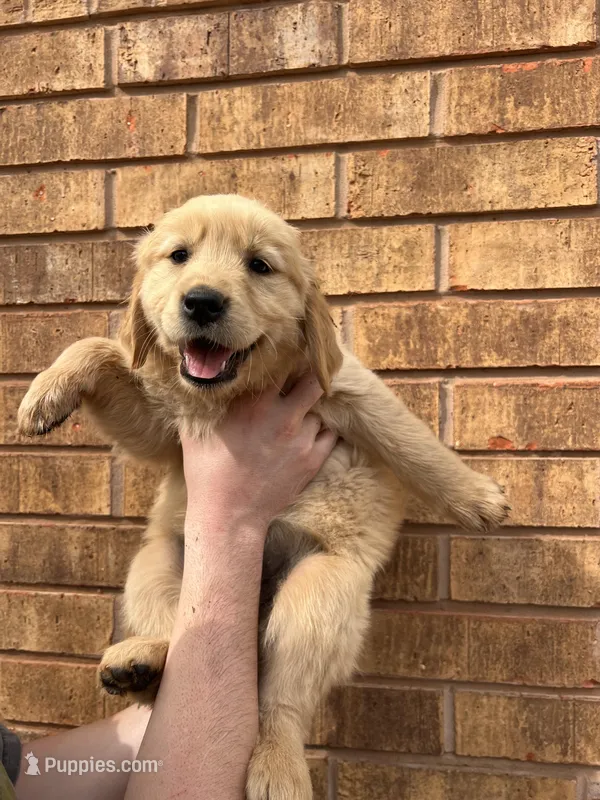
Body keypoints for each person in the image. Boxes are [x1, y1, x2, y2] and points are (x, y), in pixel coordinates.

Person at [1, 373, 336, 800]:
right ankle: (167, 649)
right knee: (154, 561)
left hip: (307, 561)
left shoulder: (330, 380)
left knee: (328, 582)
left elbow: (16, 777)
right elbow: (145, 432)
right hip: (202, 563)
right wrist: (230, 518)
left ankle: (280, 727)